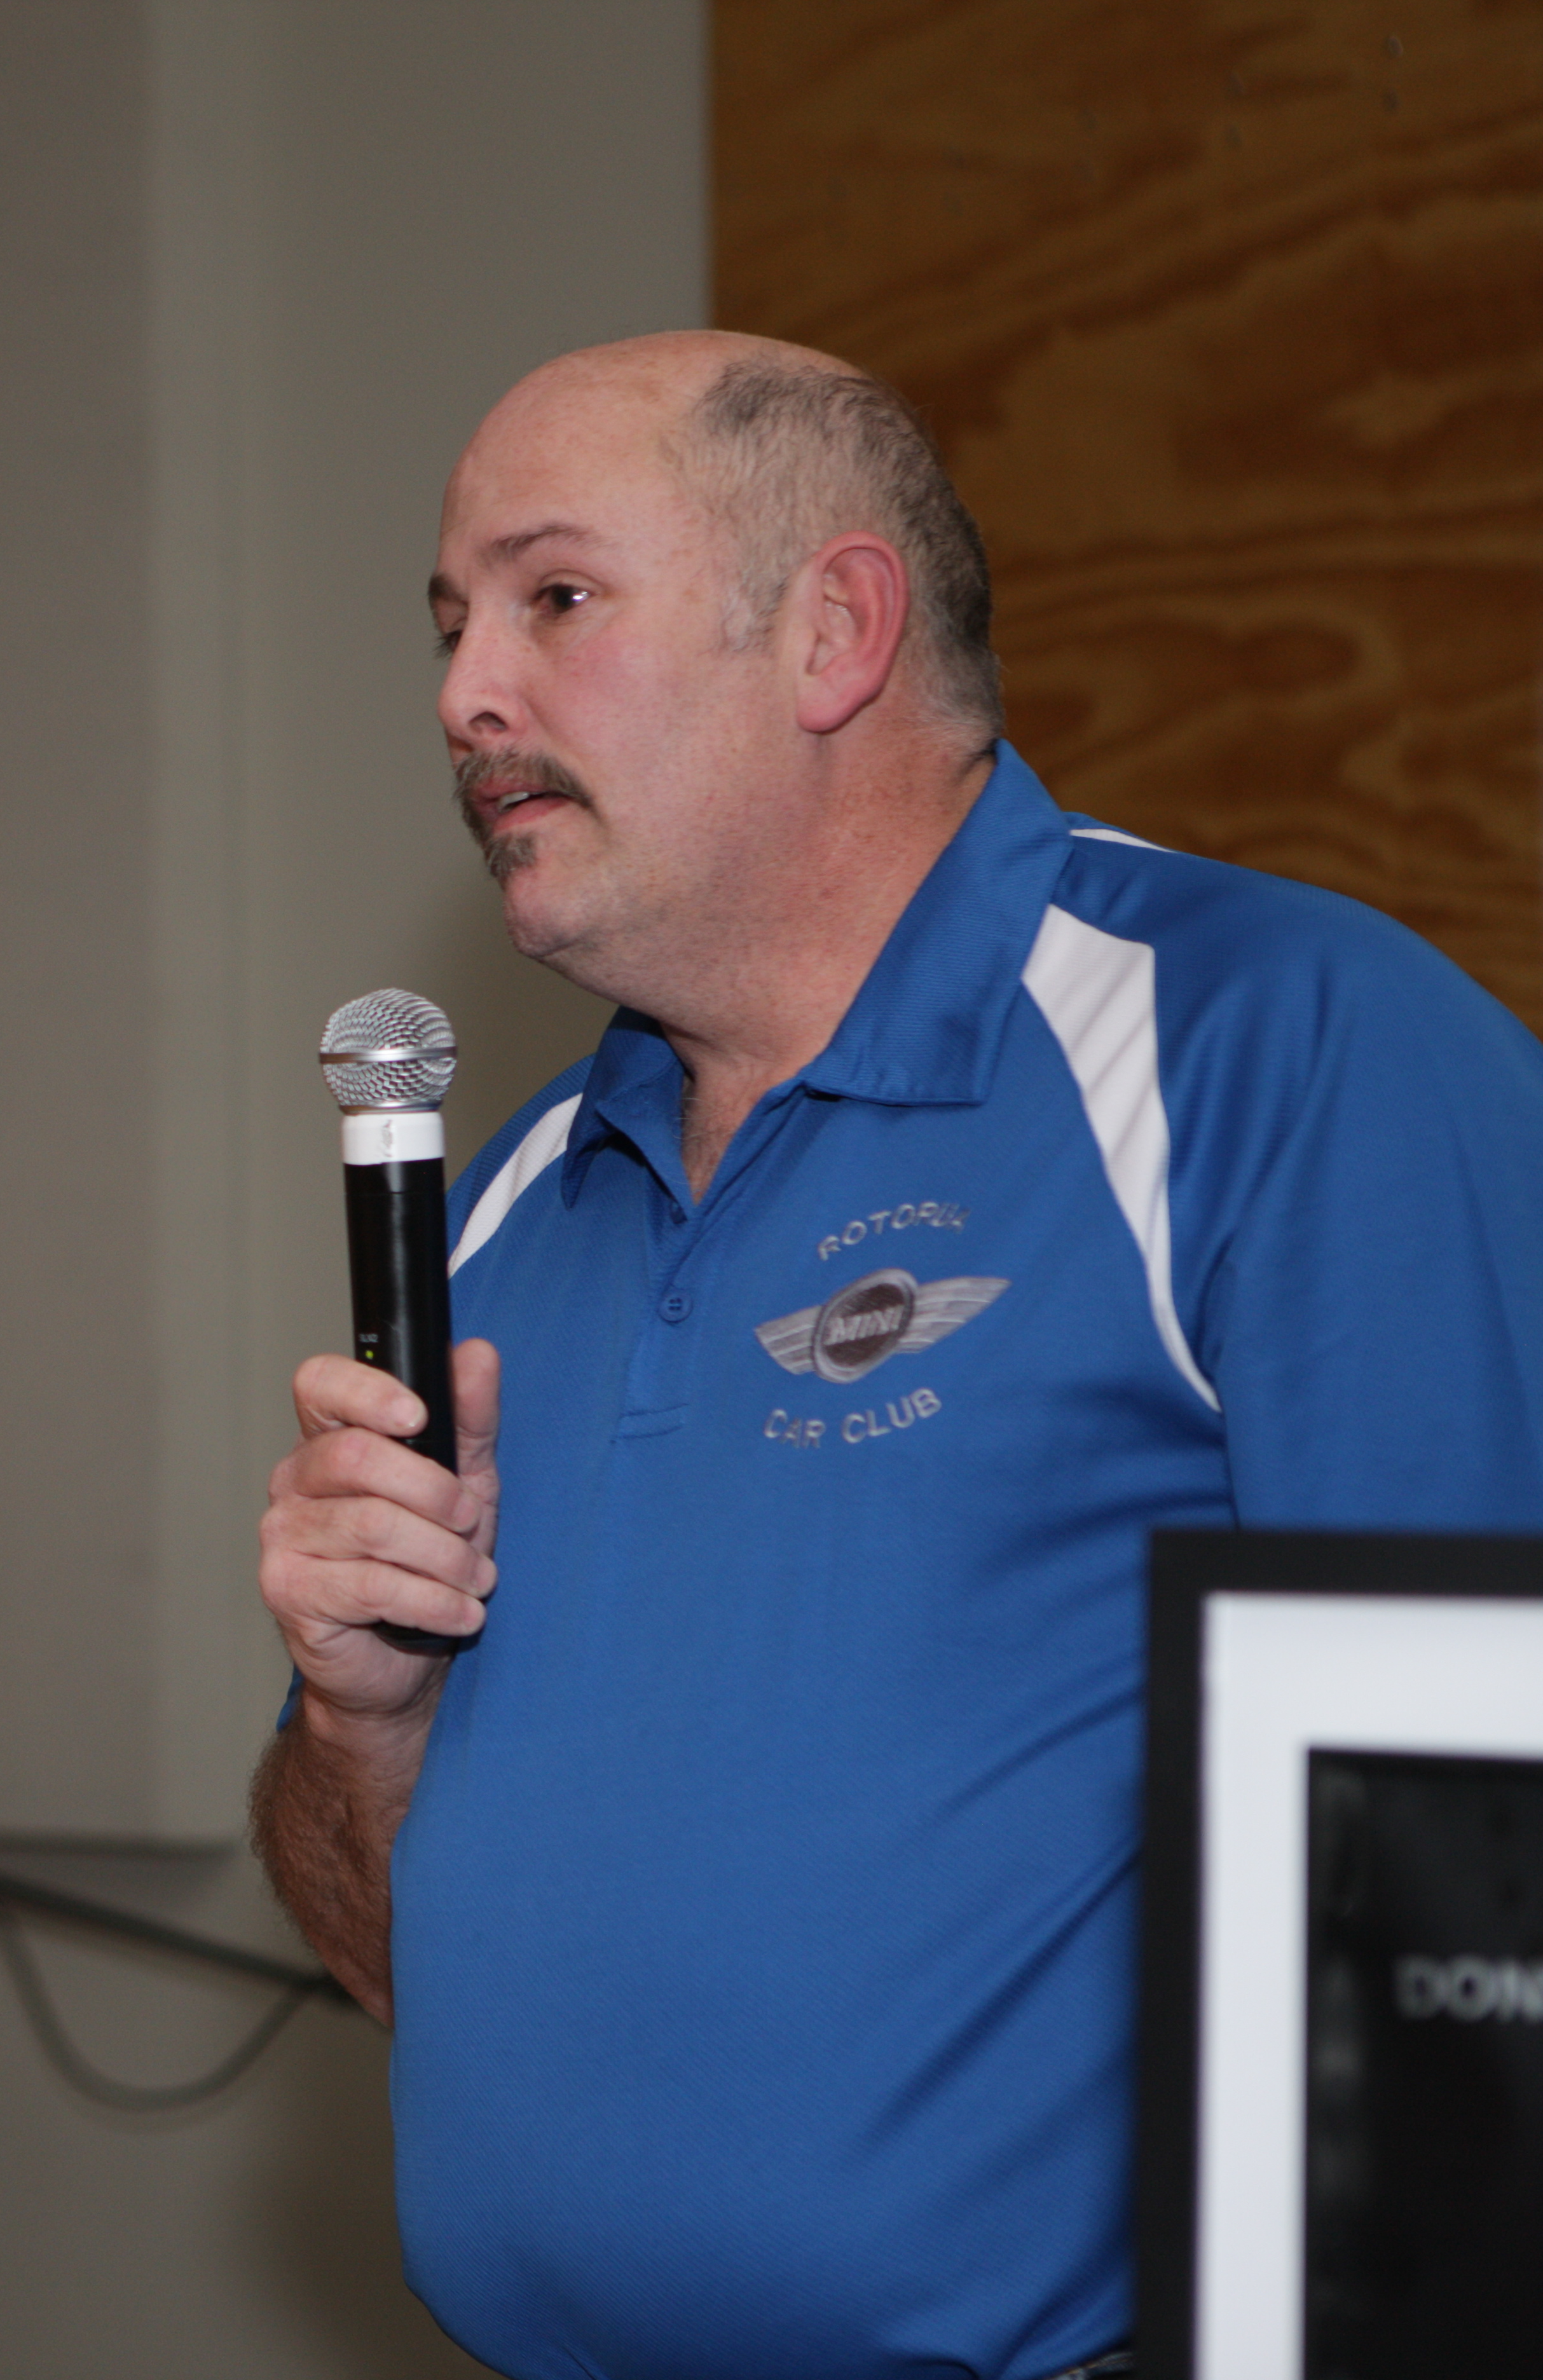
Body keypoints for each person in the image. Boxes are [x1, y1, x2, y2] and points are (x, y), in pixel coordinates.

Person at [252, 332, 1543, 2380]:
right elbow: (411, 1968)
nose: (465, 693)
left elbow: (1487, 1895)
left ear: (835, 631)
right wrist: (363, 1726)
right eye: (448, 625)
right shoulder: (502, 1209)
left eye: (554, 597)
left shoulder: (1264, 1053)